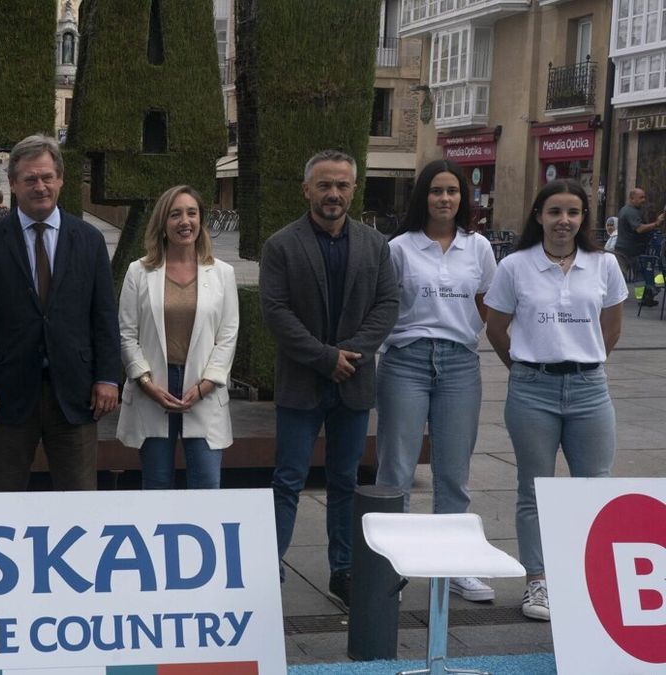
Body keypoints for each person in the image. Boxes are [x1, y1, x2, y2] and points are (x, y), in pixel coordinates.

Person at [258, 149, 398, 606]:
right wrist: (325, 358)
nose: (333, 193)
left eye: (341, 185)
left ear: (354, 190)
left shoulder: (376, 245)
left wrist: (350, 356)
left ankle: (344, 570)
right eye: (324, 185)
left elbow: (387, 305)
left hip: (353, 383)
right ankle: (268, 569)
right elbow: (276, 312)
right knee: (288, 480)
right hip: (302, 382)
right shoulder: (281, 245)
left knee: (344, 480)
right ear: (307, 190)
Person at [484, 179, 624, 622]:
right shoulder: (515, 266)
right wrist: (526, 369)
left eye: (574, 213)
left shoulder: (604, 265)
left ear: (585, 219)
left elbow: (612, 327)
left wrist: (585, 361)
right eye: (555, 212)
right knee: (533, 488)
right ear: (539, 216)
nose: (564, 221)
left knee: (594, 486)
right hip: (532, 390)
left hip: (589, 390)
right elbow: (496, 327)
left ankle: (588, 577)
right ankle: (537, 581)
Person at [0, 134, 121, 491]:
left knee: (79, 499)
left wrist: (109, 377)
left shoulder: (90, 240)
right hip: (5, 396)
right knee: (3, 498)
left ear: (61, 179)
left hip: (76, 394)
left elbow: (104, 316)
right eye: (30, 179)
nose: (40, 186)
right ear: (13, 184)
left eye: (47, 177)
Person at [374, 160, 498, 603]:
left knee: (453, 472)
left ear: (463, 198)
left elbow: (487, 301)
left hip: (460, 364)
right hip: (405, 360)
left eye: (452, 191)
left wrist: (464, 332)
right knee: (397, 471)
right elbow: (386, 306)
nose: (444, 199)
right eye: (435, 191)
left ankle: (453, 565)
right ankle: (393, 567)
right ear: (422, 196)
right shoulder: (400, 248)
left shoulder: (478, 247)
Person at [116, 186, 239, 489]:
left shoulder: (222, 273)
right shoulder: (138, 272)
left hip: (204, 390)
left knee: (207, 485)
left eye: (191, 213)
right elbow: (127, 334)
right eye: (175, 214)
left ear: (201, 220)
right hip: (154, 388)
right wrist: (145, 383)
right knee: (156, 486)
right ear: (163, 223)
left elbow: (228, 335)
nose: (185, 221)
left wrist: (206, 384)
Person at [614, 187, 663, 306]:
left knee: (641, 275)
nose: (644, 200)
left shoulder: (633, 210)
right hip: (628, 250)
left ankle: (647, 297)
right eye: (641, 197)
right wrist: (656, 223)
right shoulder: (629, 212)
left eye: (644, 197)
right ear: (632, 198)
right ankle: (613, 298)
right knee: (622, 275)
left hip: (632, 249)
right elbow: (639, 228)